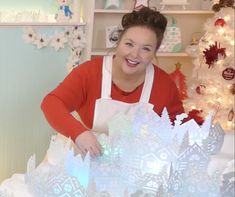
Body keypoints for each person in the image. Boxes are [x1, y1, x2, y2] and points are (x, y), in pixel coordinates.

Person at [41, 7, 185, 157]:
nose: (134, 54)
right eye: (129, 44)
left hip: (133, 166)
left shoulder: (164, 85)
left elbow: (179, 127)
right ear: (118, 42)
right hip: (86, 158)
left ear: (155, 52)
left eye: (146, 49)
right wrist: (79, 134)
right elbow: (51, 103)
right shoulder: (89, 73)